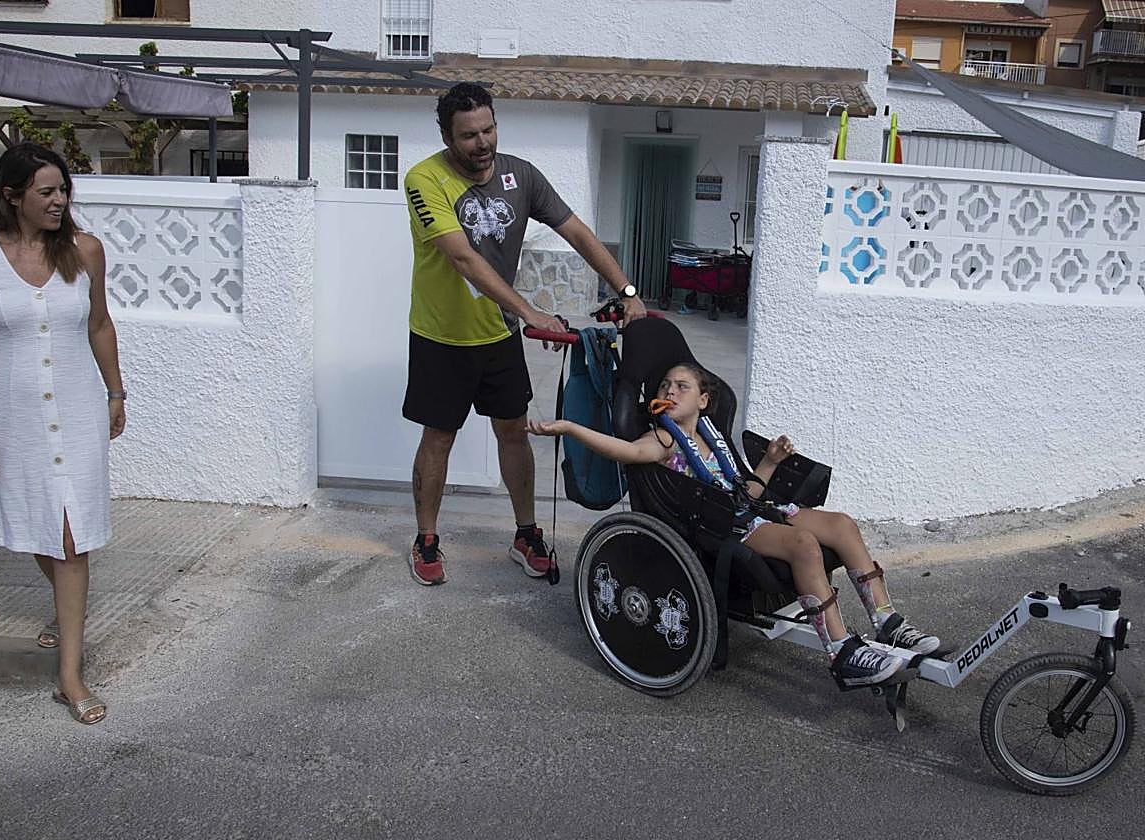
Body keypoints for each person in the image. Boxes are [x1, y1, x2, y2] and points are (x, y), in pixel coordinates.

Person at [527, 362, 942, 687]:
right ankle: (841, 651)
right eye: (665, 386)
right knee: (803, 544)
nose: (670, 391)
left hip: (749, 510)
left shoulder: (715, 439)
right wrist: (569, 428)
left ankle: (887, 621)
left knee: (842, 525)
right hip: (722, 526)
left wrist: (771, 462)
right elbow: (623, 450)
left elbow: (748, 491)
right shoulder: (663, 441)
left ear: (704, 400)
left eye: (682, 386)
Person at [401, 82, 646, 586]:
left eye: (489, 129)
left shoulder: (521, 175)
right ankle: (426, 539)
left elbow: (575, 231)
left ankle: (525, 534)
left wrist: (625, 290)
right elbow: (463, 257)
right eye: (469, 135)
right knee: (439, 437)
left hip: (498, 335)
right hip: (442, 337)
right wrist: (531, 312)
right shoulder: (424, 179)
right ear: (447, 137)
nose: (483, 143)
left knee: (513, 432)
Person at [0, 143, 126, 724]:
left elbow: (99, 324)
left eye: (63, 190)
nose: (59, 201)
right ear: (12, 196)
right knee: (35, 525)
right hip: (14, 414)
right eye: (46, 191)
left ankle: (69, 675)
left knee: (71, 537)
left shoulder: (85, 250)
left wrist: (116, 392)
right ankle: (68, 607)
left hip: (76, 409)